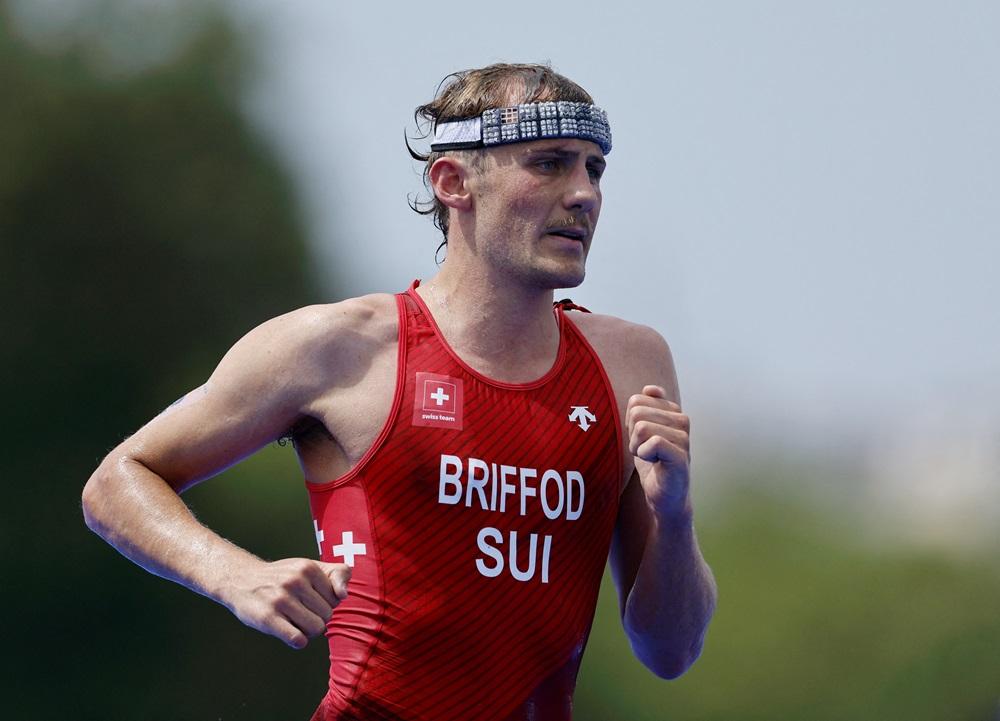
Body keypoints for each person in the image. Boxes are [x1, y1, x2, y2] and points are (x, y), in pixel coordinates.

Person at [82, 62, 717, 721]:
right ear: (453, 182)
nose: (583, 194)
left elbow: (671, 651)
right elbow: (117, 481)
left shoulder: (629, 363)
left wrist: (674, 516)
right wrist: (234, 575)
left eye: (595, 169)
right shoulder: (341, 348)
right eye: (550, 163)